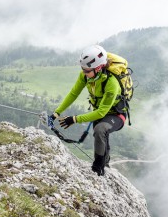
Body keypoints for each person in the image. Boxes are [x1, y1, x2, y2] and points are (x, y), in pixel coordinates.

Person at [50, 45, 126, 176]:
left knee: (100, 130)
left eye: (87, 70)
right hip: (99, 110)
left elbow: (102, 112)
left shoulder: (111, 83)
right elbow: (74, 93)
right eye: (82, 69)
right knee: (101, 135)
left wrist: (74, 119)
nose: (84, 72)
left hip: (116, 114)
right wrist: (57, 112)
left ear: (98, 68)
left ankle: (98, 168)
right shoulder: (86, 75)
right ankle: (105, 163)